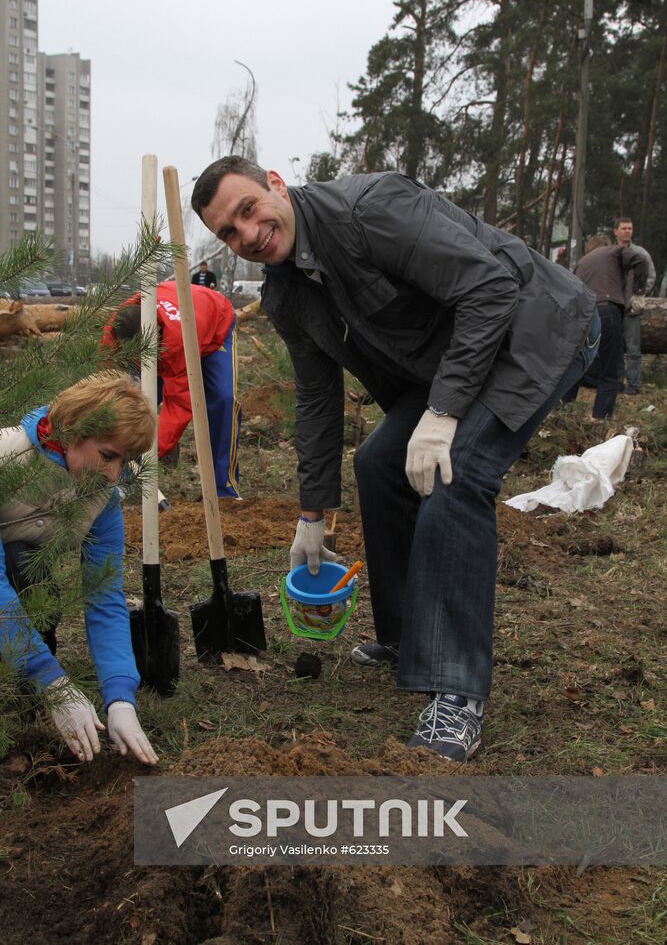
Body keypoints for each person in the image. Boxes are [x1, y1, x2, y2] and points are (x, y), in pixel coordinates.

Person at [191, 157, 598, 762]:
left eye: (248, 210)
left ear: (275, 183)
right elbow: (317, 400)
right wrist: (311, 513)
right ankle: (409, 637)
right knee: (379, 462)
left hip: (536, 327)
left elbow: (490, 288)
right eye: (228, 232)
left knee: (458, 476)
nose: (248, 234)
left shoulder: (371, 209)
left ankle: (457, 693)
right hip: (458, 357)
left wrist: (444, 411)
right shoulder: (285, 294)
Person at [0, 372, 159, 765]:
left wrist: (120, 697)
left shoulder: (101, 500)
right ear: (71, 431)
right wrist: (52, 679)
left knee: (26, 564)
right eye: (108, 455)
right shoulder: (6, 462)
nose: (114, 474)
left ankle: (25, 681)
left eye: (124, 461)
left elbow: (104, 597)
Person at [102, 280, 241, 498]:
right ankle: (123, 478)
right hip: (173, 310)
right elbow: (106, 381)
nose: (140, 360)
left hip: (215, 321)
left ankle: (224, 490)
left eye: (144, 353)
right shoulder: (116, 328)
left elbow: (179, 404)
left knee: (223, 400)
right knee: (132, 398)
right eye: (134, 354)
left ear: (156, 335)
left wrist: (154, 450)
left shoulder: (178, 341)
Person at [562, 235, 647, 419]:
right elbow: (641, 260)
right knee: (610, 373)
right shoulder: (614, 251)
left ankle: (562, 413)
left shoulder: (581, 263)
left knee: (574, 368)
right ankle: (601, 420)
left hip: (582, 316)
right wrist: (639, 292)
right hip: (607, 310)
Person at [613, 217, 655, 394]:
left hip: (632, 307)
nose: (627, 231)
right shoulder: (611, 253)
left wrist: (638, 295)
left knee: (633, 347)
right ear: (616, 231)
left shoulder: (641, 254)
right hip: (614, 305)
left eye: (630, 228)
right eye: (624, 228)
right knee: (615, 346)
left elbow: (651, 276)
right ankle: (616, 382)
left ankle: (633, 384)